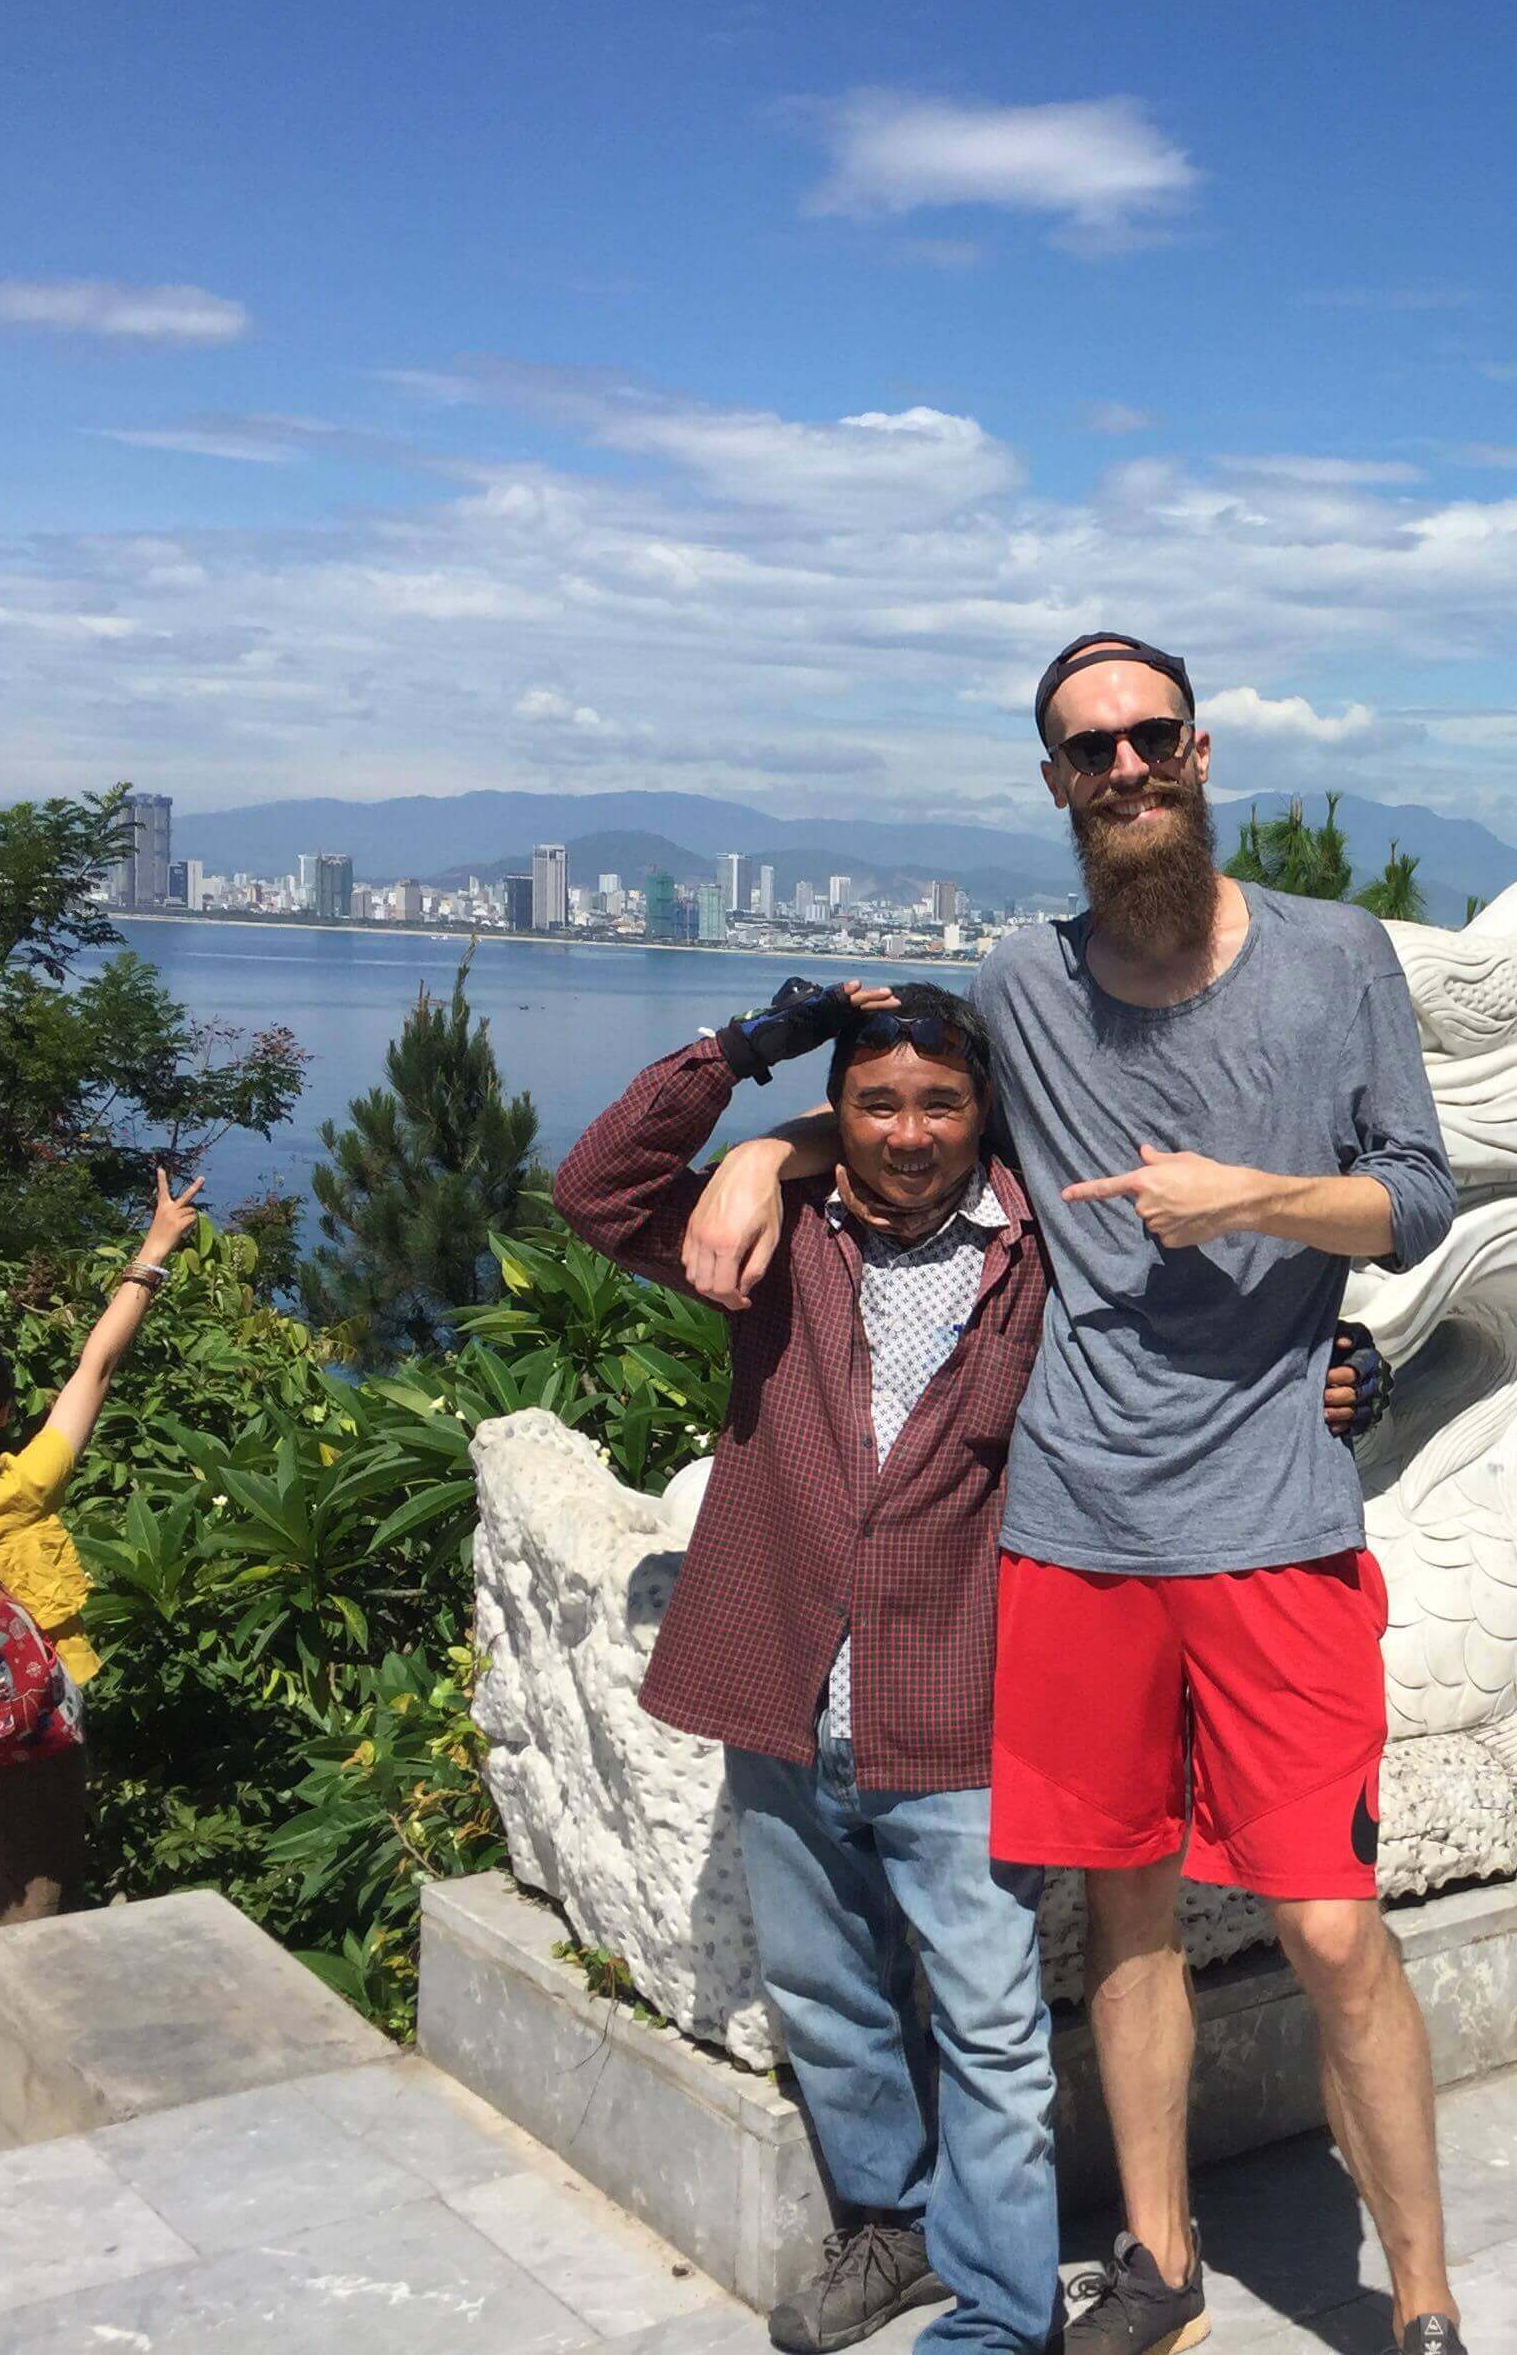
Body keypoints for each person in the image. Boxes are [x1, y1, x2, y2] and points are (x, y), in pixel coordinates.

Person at [695, 631, 1470, 2355]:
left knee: (1332, 1928)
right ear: (1054, 785)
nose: (1124, 768)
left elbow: (1415, 1197)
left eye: (1148, 736)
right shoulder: (1020, 979)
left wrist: (1255, 1198)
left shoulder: (1338, 957)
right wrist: (762, 1147)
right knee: (1116, 1912)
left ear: (1201, 749)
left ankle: (1417, 2298)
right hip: (1064, 1533)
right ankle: (1160, 2259)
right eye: (1086, 749)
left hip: (1272, 1519)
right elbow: (916, 1124)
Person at [555, 975, 1382, 2355]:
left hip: (961, 1703)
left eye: (941, 1101)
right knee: (826, 1995)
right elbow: (597, 1189)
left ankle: (1002, 2315)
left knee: (994, 2032)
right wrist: (759, 1082)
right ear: (842, 1108)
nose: (908, 1130)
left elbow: (1214, 1330)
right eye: (875, 1103)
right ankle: (895, 2230)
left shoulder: (1049, 1252)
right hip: (780, 1683)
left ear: (984, 1109)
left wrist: (1347, 1363)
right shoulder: (778, 1236)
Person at [0, 1168, 206, 2172]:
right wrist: (153, 1251)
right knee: (28, 1910)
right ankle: (20, 2092)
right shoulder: (20, 1487)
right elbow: (97, 1369)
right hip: (24, 1736)